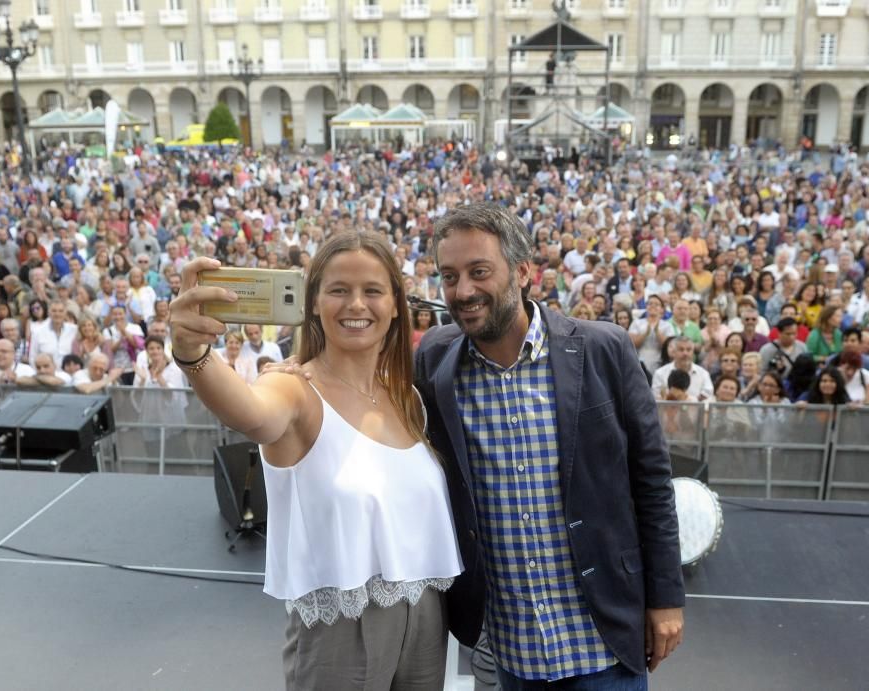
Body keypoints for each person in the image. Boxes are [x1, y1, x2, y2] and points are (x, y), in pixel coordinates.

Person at [170, 232, 462, 689]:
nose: (356, 305)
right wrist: (193, 354)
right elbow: (252, 414)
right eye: (339, 290)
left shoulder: (409, 399)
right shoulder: (293, 389)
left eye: (372, 291)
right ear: (314, 304)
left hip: (426, 615)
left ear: (395, 305)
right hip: (343, 628)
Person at [414, 203, 684, 688]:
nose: (463, 291)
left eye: (479, 272)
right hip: (511, 646)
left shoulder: (604, 348)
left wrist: (666, 597)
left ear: (523, 272)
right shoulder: (434, 360)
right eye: (449, 276)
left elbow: (652, 482)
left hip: (603, 636)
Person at [652, 335, 715, 401]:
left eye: (689, 350)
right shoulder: (660, 373)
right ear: (674, 352)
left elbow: (708, 398)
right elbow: (656, 399)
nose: (685, 353)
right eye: (681, 349)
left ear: (693, 353)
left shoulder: (703, 374)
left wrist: (686, 398)